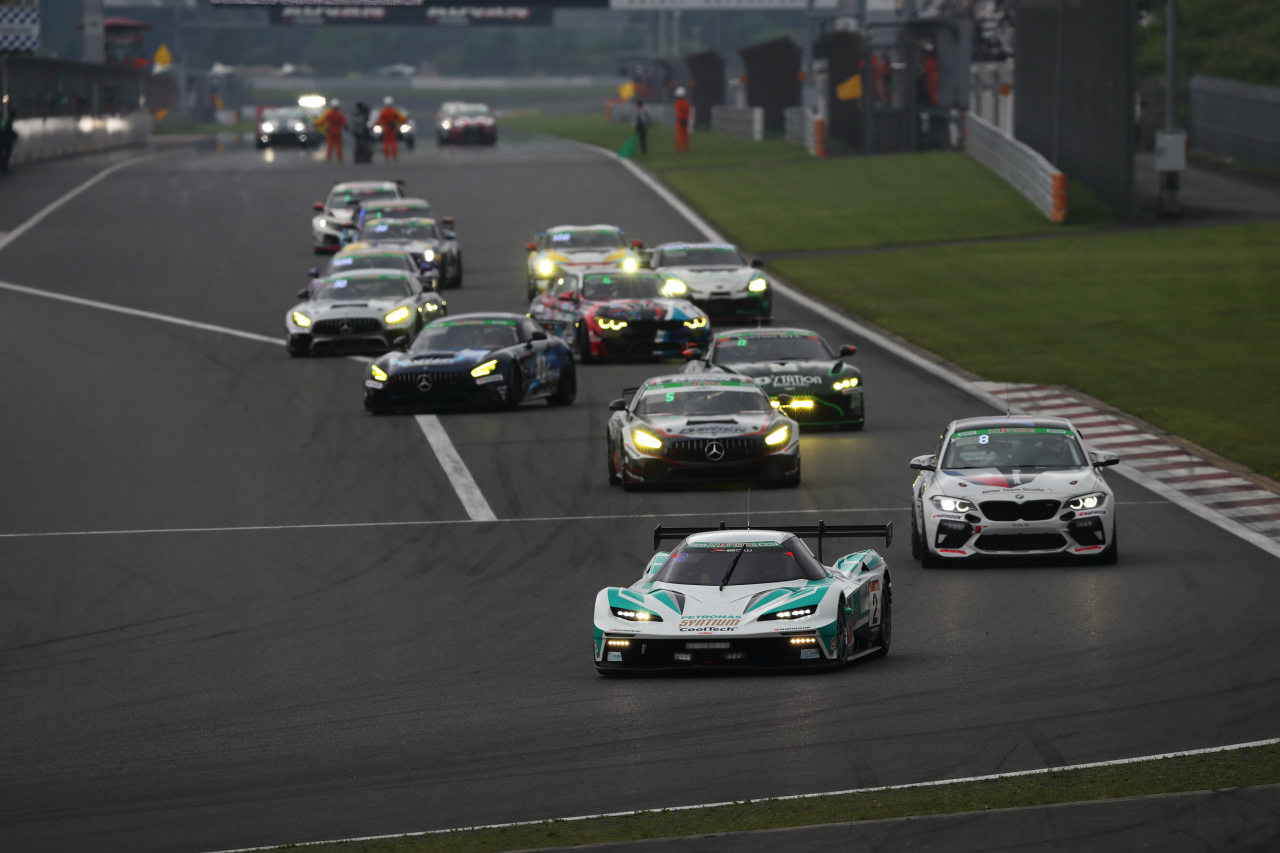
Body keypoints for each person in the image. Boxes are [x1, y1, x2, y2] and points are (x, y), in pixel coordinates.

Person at [376, 96, 406, 161]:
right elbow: (399, 119)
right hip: (393, 128)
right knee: (393, 142)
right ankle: (394, 156)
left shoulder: (383, 112)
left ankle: (386, 156)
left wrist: (376, 124)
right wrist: (404, 120)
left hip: (386, 128)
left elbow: (379, 120)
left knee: (386, 142)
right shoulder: (394, 111)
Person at [673, 87, 691, 153]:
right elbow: (688, 112)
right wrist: (686, 118)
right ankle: (686, 148)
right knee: (685, 135)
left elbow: (678, 112)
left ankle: (678, 148)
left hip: (679, 121)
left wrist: (680, 119)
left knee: (679, 135)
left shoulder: (677, 103)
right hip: (685, 121)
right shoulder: (687, 103)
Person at [0, 109, 17, 175]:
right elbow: (8, 130)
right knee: (7, 155)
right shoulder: (8, 121)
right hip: (6, 141)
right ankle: (4, 168)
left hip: (4, 140)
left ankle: (4, 168)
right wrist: (15, 135)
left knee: (4, 155)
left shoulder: (6, 121)